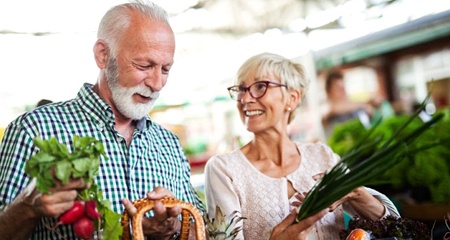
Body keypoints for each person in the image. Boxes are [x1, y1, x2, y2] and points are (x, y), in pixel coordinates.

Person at [0, 1, 204, 239]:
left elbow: (201, 228)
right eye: (144, 65)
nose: (156, 83)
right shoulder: (34, 130)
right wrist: (27, 207)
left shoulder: (168, 143)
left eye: (165, 69)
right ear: (103, 55)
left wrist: (175, 227)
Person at [204, 53, 400, 239]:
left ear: (292, 98)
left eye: (260, 87)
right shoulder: (224, 170)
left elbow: (393, 226)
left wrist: (356, 193)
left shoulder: (322, 156)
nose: (245, 99)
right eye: (241, 89)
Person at [321, 70, 383, 138]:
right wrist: (364, 105)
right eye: (338, 88)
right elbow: (334, 109)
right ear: (328, 90)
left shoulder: (351, 105)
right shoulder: (327, 107)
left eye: (343, 87)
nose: (342, 90)